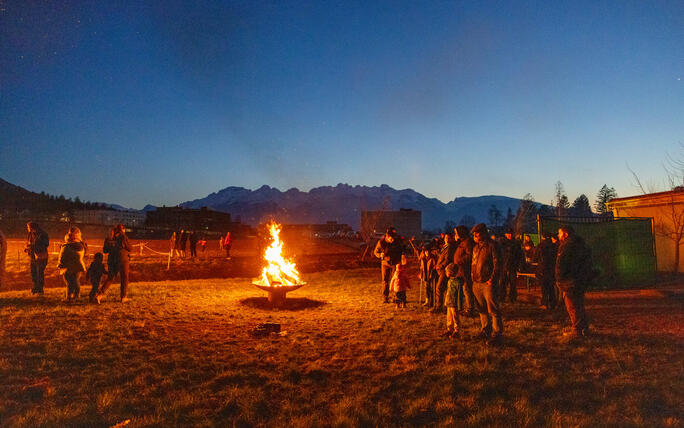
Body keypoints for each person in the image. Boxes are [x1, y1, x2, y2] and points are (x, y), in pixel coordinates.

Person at [556, 225, 593, 339]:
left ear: (565, 234)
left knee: (572, 307)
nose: (558, 236)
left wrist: (560, 278)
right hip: (580, 280)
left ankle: (577, 331)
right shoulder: (581, 245)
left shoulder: (567, 246)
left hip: (570, 281)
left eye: (559, 233)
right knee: (579, 305)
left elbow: (562, 264)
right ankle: (584, 329)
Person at [471, 223, 503, 345]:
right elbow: (474, 264)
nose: (475, 235)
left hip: (487, 283)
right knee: (481, 309)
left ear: (483, 233)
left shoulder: (492, 245)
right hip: (477, 282)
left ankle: (497, 334)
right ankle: (485, 330)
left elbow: (498, 263)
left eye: (477, 233)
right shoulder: (476, 247)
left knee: (493, 309)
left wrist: (492, 279)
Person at [96, 224, 131, 303]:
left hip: (112, 260)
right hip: (122, 259)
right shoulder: (123, 237)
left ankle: (99, 295)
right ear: (123, 230)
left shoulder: (109, 239)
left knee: (111, 277)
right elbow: (130, 248)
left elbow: (105, 251)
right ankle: (123, 297)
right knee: (124, 278)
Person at [373, 227, 404, 303]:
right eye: (391, 238)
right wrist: (380, 255)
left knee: (395, 280)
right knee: (385, 281)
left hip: (394, 263)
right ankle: (385, 297)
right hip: (385, 263)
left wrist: (401, 259)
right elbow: (375, 252)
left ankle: (395, 296)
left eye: (393, 237)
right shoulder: (381, 242)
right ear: (387, 236)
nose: (392, 239)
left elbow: (401, 251)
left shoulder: (397, 242)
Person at [58, 226, 87, 301]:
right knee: (76, 280)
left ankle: (69, 295)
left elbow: (62, 256)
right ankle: (76, 295)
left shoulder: (66, 246)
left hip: (68, 267)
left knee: (69, 281)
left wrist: (60, 264)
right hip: (78, 266)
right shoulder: (81, 245)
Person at [453, 225, 475, 317]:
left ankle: (470, 309)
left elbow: (470, 255)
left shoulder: (468, 242)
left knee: (467, 290)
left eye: (456, 233)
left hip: (465, 270)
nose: (455, 235)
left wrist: (459, 261)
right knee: (464, 290)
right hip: (461, 271)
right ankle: (466, 308)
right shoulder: (462, 242)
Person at [434, 233, 458, 312]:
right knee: (443, 288)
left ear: (451, 239)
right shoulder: (445, 247)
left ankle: (439, 307)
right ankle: (445, 306)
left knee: (439, 287)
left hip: (444, 270)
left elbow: (447, 259)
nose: (447, 239)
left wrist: (440, 266)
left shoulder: (450, 248)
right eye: (446, 238)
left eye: (448, 238)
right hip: (441, 270)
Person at [25, 222, 49, 295]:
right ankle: (35, 287)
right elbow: (29, 243)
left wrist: (33, 246)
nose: (28, 229)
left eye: (28, 227)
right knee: (33, 273)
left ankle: (40, 289)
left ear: (32, 227)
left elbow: (45, 244)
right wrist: (27, 248)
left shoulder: (43, 234)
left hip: (41, 256)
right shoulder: (30, 234)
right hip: (32, 256)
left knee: (39, 273)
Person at [499, 227, 523, 302]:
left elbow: (519, 255)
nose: (509, 235)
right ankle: (502, 297)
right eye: (508, 234)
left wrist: (519, 266)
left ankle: (512, 298)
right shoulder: (502, 243)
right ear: (505, 234)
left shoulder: (516, 243)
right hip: (504, 266)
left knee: (513, 283)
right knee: (503, 282)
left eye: (510, 234)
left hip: (512, 266)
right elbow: (499, 255)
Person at [535, 233, 558, 310]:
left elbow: (535, 257)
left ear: (542, 237)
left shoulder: (540, 245)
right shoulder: (555, 246)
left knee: (544, 288)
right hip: (551, 269)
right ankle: (553, 303)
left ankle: (544, 303)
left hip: (543, 269)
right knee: (551, 287)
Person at [443, 263, 464, 339]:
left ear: (451, 272)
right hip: (449, 302)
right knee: (449, 317)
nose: (445, 273)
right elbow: (448, 292)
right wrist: (446, 302)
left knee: (455, 317)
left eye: (447, 272)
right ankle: (450, 329)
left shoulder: (457, 283)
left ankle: (457, 331)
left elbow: (459, 295)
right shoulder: (449, 281)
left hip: (454, 304)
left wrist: (459, 306)